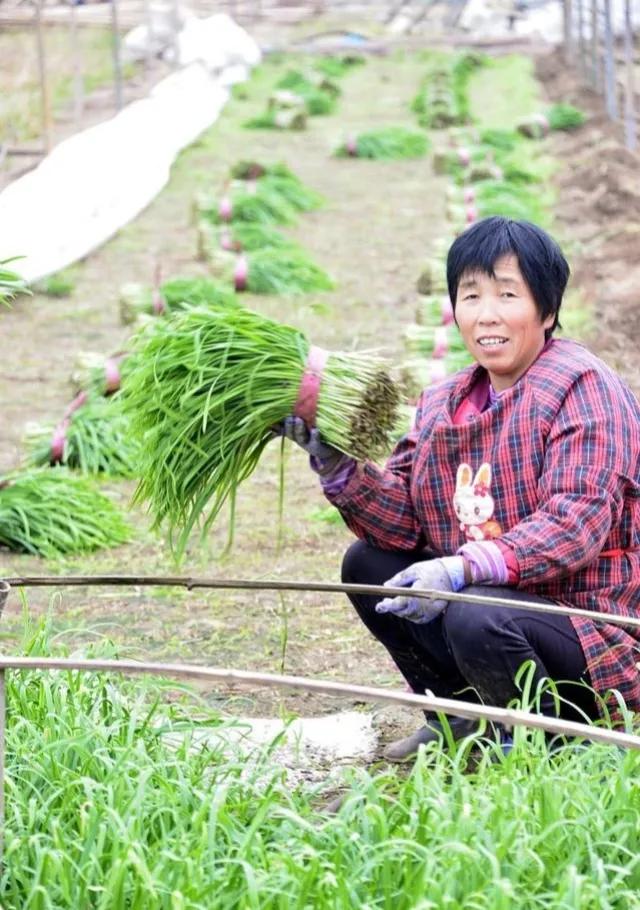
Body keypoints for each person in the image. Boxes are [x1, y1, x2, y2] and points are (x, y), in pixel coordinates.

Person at [282, 215, 640, 761]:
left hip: (587, 626)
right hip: (493, 611)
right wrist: (338, 466)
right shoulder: (443, 401)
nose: (487, 314)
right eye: (470, 295)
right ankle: (457, 717)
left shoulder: (585, 388)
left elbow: (576, 524)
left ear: (546, 310)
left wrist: (462, 567)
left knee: (474, 609)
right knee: (368, 565)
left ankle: (544, 742)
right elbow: (405, 522)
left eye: (507, 294)